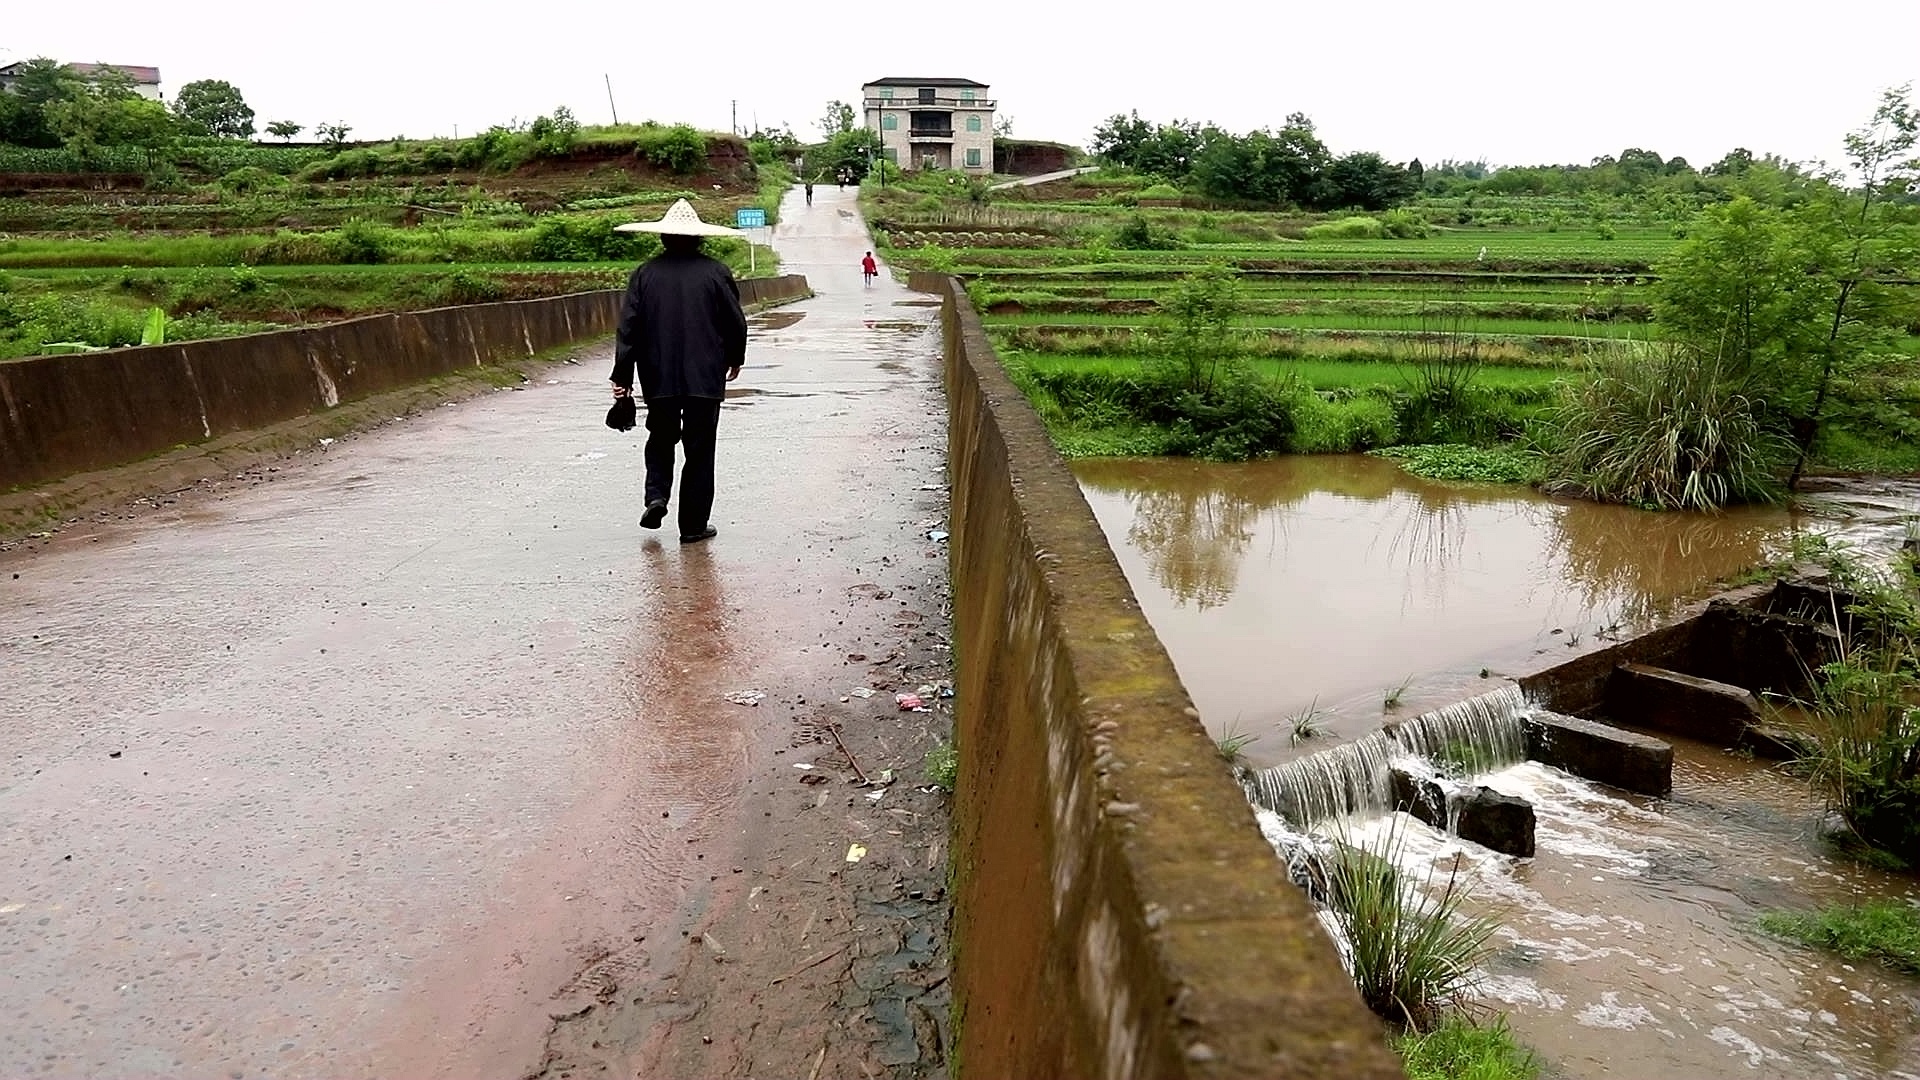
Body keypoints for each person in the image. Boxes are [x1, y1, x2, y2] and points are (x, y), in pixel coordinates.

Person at [608, 199, 748, 544]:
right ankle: (693, 526)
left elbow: (629, 328)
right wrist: (735, 357)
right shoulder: (716, 272)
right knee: (699, 449)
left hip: (658, 376)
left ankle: (656, 496)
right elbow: (735, 322)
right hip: (705, 375)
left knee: (660, 436)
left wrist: (622, 377)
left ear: (663, 238)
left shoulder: (644, 274)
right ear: (699, 239)